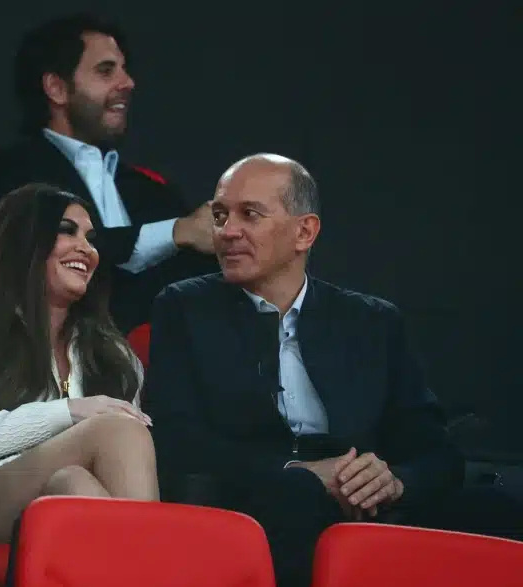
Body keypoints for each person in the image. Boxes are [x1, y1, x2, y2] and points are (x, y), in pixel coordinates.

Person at [142, 154, 523, 587]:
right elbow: (177, 438)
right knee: (298, 496)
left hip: (363, 498)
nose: (227, 231)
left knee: (494, 509)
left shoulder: (372, 321)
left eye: (250, 214)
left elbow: (435, 450)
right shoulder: (185, 308)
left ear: (304, 232)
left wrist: (394, 480)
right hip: (258, 494)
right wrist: (299, 471)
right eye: (219, 216)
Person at [0, 183, 159, 544]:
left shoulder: (116, 355)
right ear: (26, 240)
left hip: (66, 492)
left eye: (91, 238)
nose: (86, 248)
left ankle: (139, 564)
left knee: (75, 485)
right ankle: (157, 559)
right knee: (118, 429)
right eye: (67, 231)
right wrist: (70, 411)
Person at [0, 14, 216, 333]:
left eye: (124, 69)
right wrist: (175, 233)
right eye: (106, 70)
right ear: (57, 88)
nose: (127, 83)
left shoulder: (151, 189)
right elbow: (44, 253)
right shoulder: (10, 171)